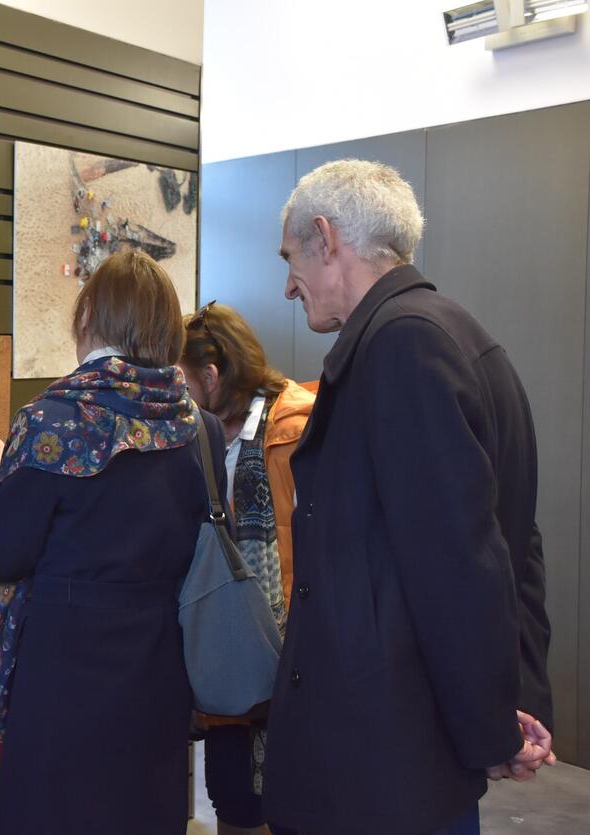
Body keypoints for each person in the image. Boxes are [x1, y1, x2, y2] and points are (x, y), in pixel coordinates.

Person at [262, 159, 554, 835]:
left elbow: (460, 562)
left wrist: (493, 727)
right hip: (412, 758)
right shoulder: (456, 333)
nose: (287, 285)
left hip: (380, 761)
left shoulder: (401, 347)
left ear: (326, 238)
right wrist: (513, 702)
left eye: (291, 258)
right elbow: (516, 546)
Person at [0, 249, 229, 834]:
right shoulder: (199, 427)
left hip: (65, 678)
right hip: (160, 672)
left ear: (88, 319)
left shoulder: (54, 421)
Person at [179, 302, 315, 835]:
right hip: (229, 653)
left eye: (183, 380)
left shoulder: (295, 432)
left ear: (211, 377)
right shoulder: (200, 435)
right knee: (233, 797)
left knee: (291, 802)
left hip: (292, 662)